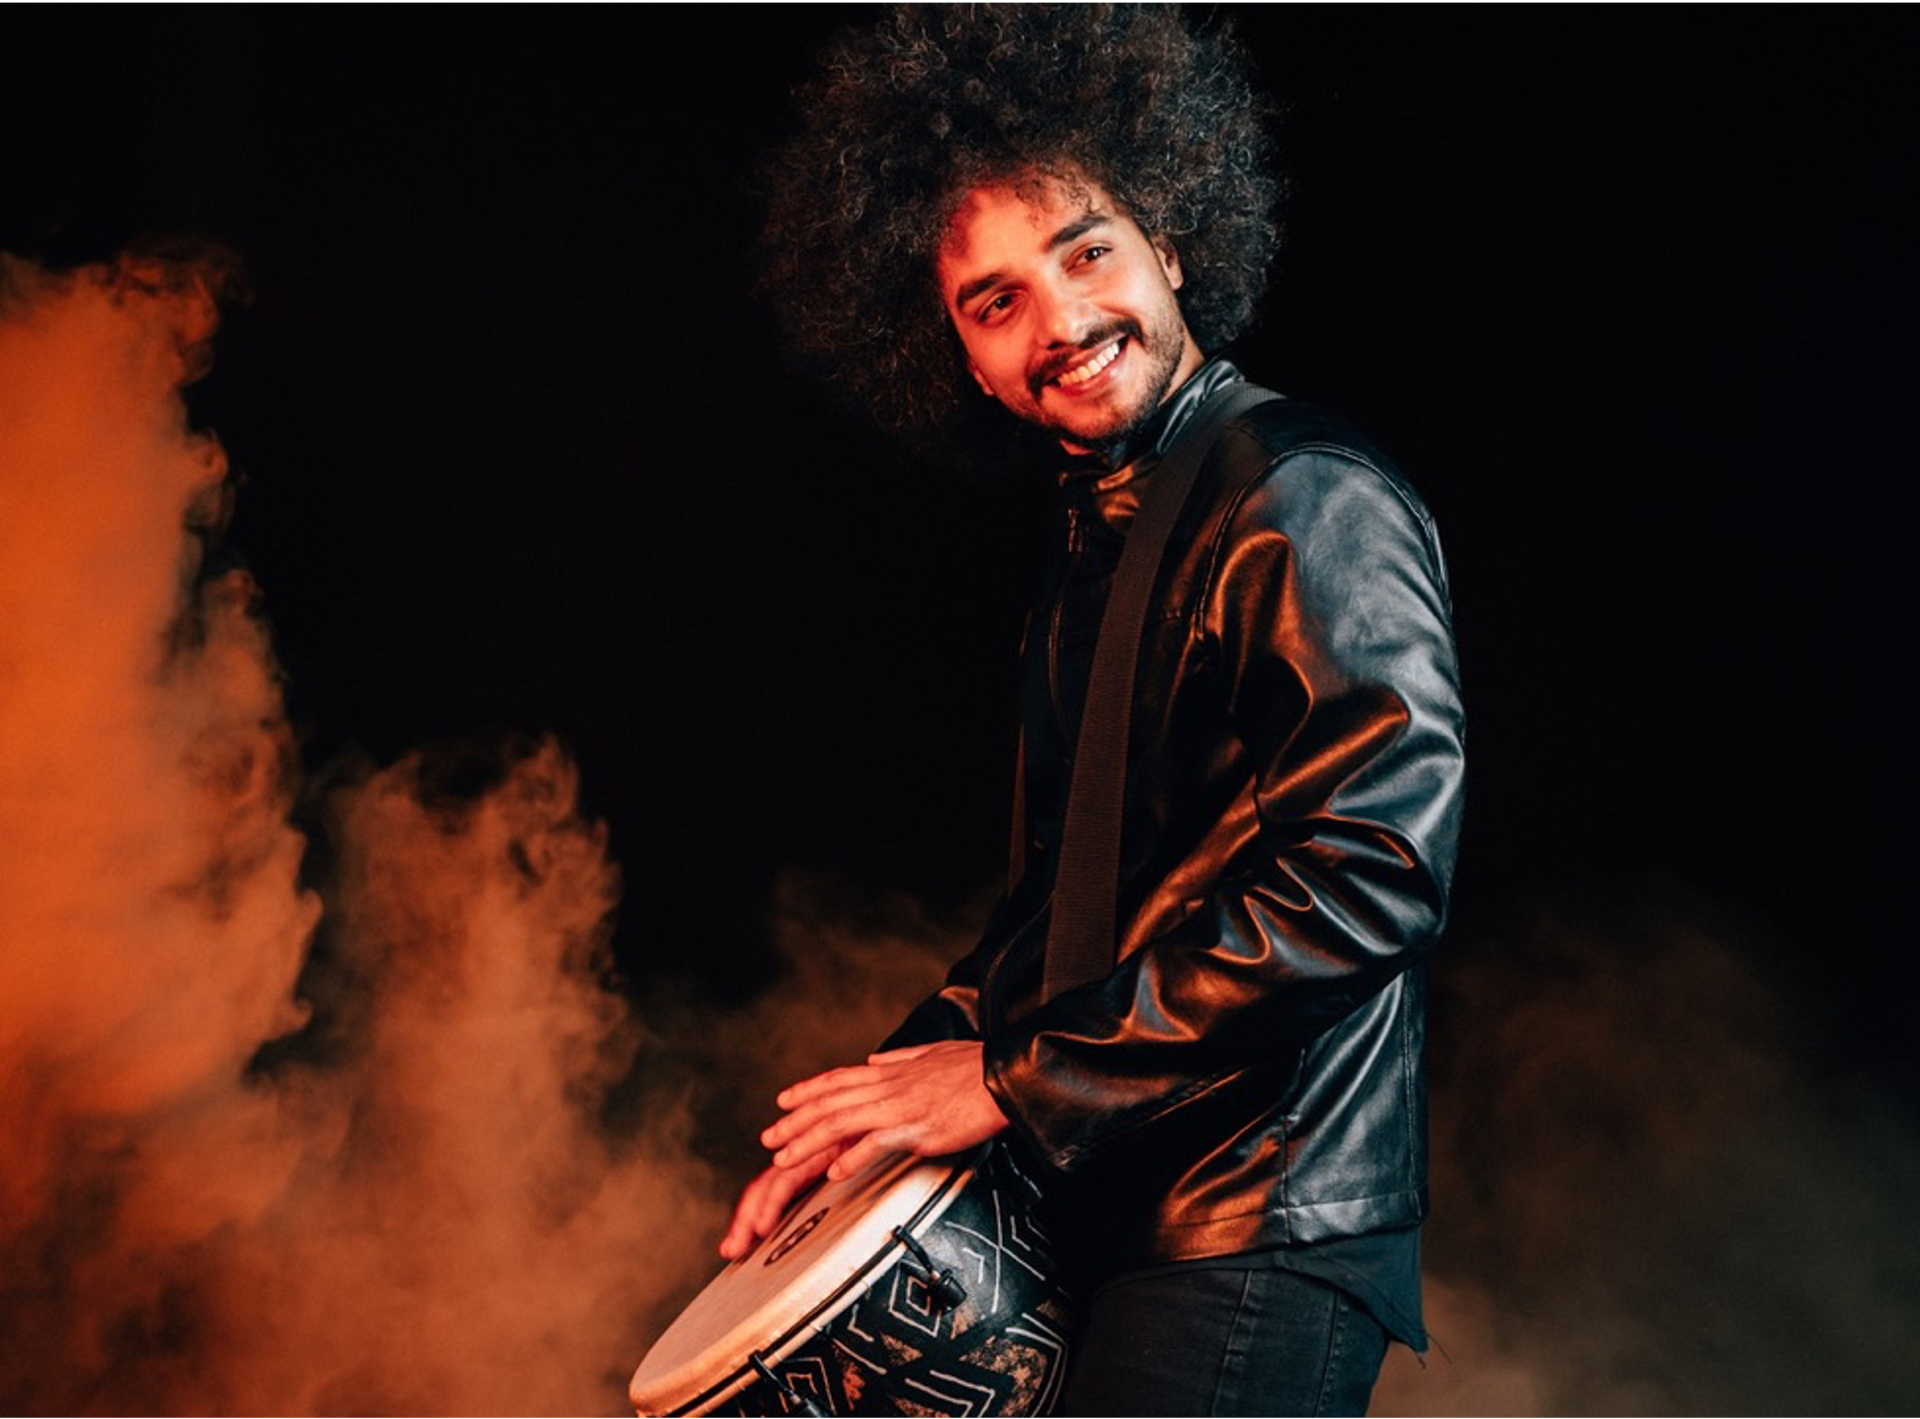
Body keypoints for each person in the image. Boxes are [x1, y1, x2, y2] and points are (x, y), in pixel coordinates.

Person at [722, 3, 1465, 1413]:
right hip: (1126, 1209)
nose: (1061, 324)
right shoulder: (1098, 542)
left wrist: (1013, 1080)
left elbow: (1373, 870)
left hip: (1256, 1217)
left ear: (1169, 243)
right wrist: (879, 1107)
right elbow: (1066, 917)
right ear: (961, 353)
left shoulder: (1301, 493)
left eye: (1086, 252)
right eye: (995, 301)